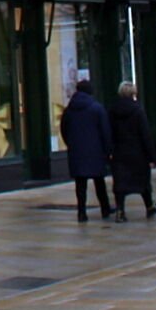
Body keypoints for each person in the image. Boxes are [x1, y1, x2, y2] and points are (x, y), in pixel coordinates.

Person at [59, 78, 113, 223]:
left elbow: (64, 129)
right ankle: (105, 208)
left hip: (77, 151)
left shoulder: (69, 110)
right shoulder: (97, 108)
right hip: (96, 151)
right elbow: (105, 131)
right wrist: (108, 150)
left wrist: (71, 143)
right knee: (99, 181)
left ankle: (81, 212)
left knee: (80, 184)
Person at [108, 81, 156, 222]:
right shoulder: (138, 110)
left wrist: (110, 150)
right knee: (143, 182)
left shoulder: (112, 110)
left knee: (120, 183)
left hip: (120, 152)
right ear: (133, 93)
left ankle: (120, 211)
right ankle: (149, 206)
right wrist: (151, 157)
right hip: (138, 153)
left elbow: (109, 133)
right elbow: (145, 134)